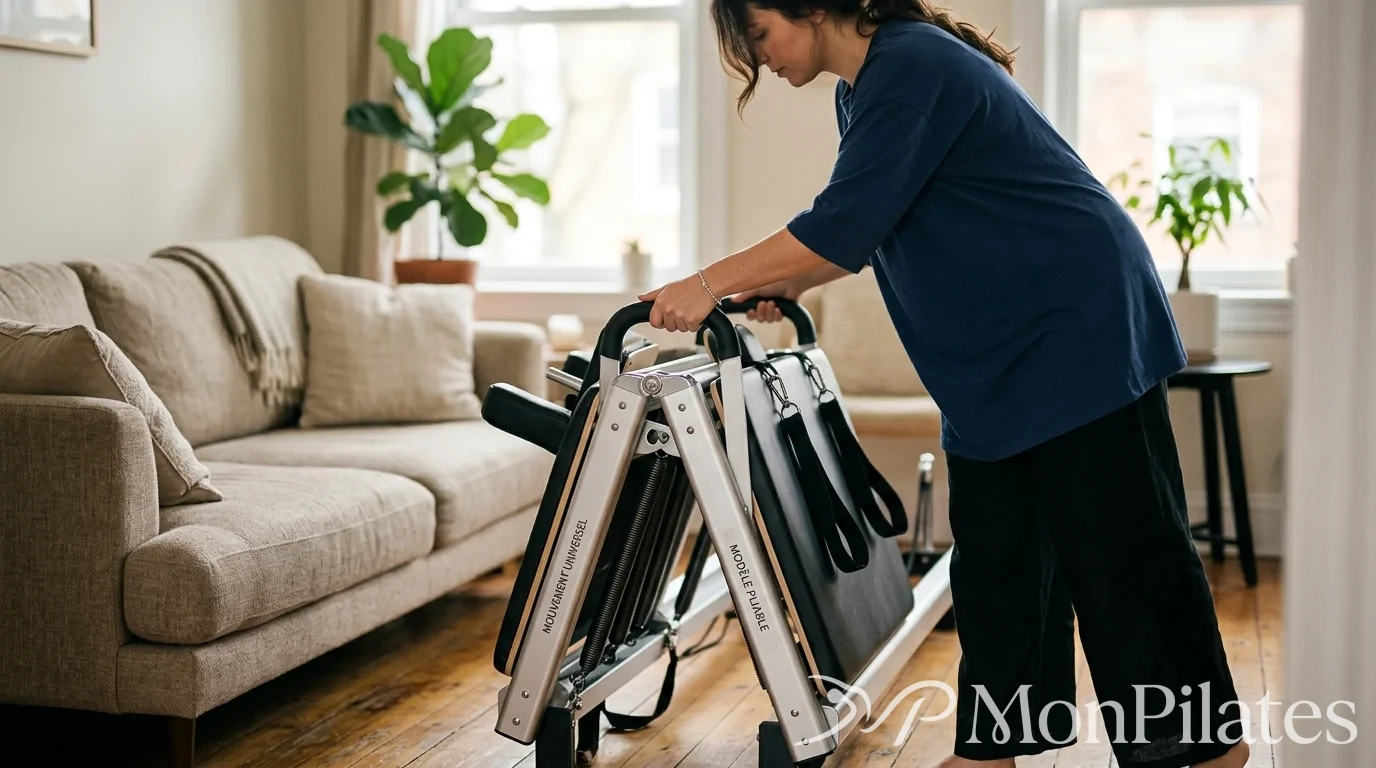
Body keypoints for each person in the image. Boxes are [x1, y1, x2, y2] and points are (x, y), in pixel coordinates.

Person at [637, 1, 1253, 767]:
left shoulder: (912, 64)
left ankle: (1205, 751)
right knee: (999, 559)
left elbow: (843, 217)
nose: (759, 59)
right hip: (998, 353)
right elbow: (872, 221)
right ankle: (993, 751)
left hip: (1073, 327)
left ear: (814, 7)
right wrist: (798, 282)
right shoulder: (860, 88)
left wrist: (704, 281)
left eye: (758, 35)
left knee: (1124, 555)